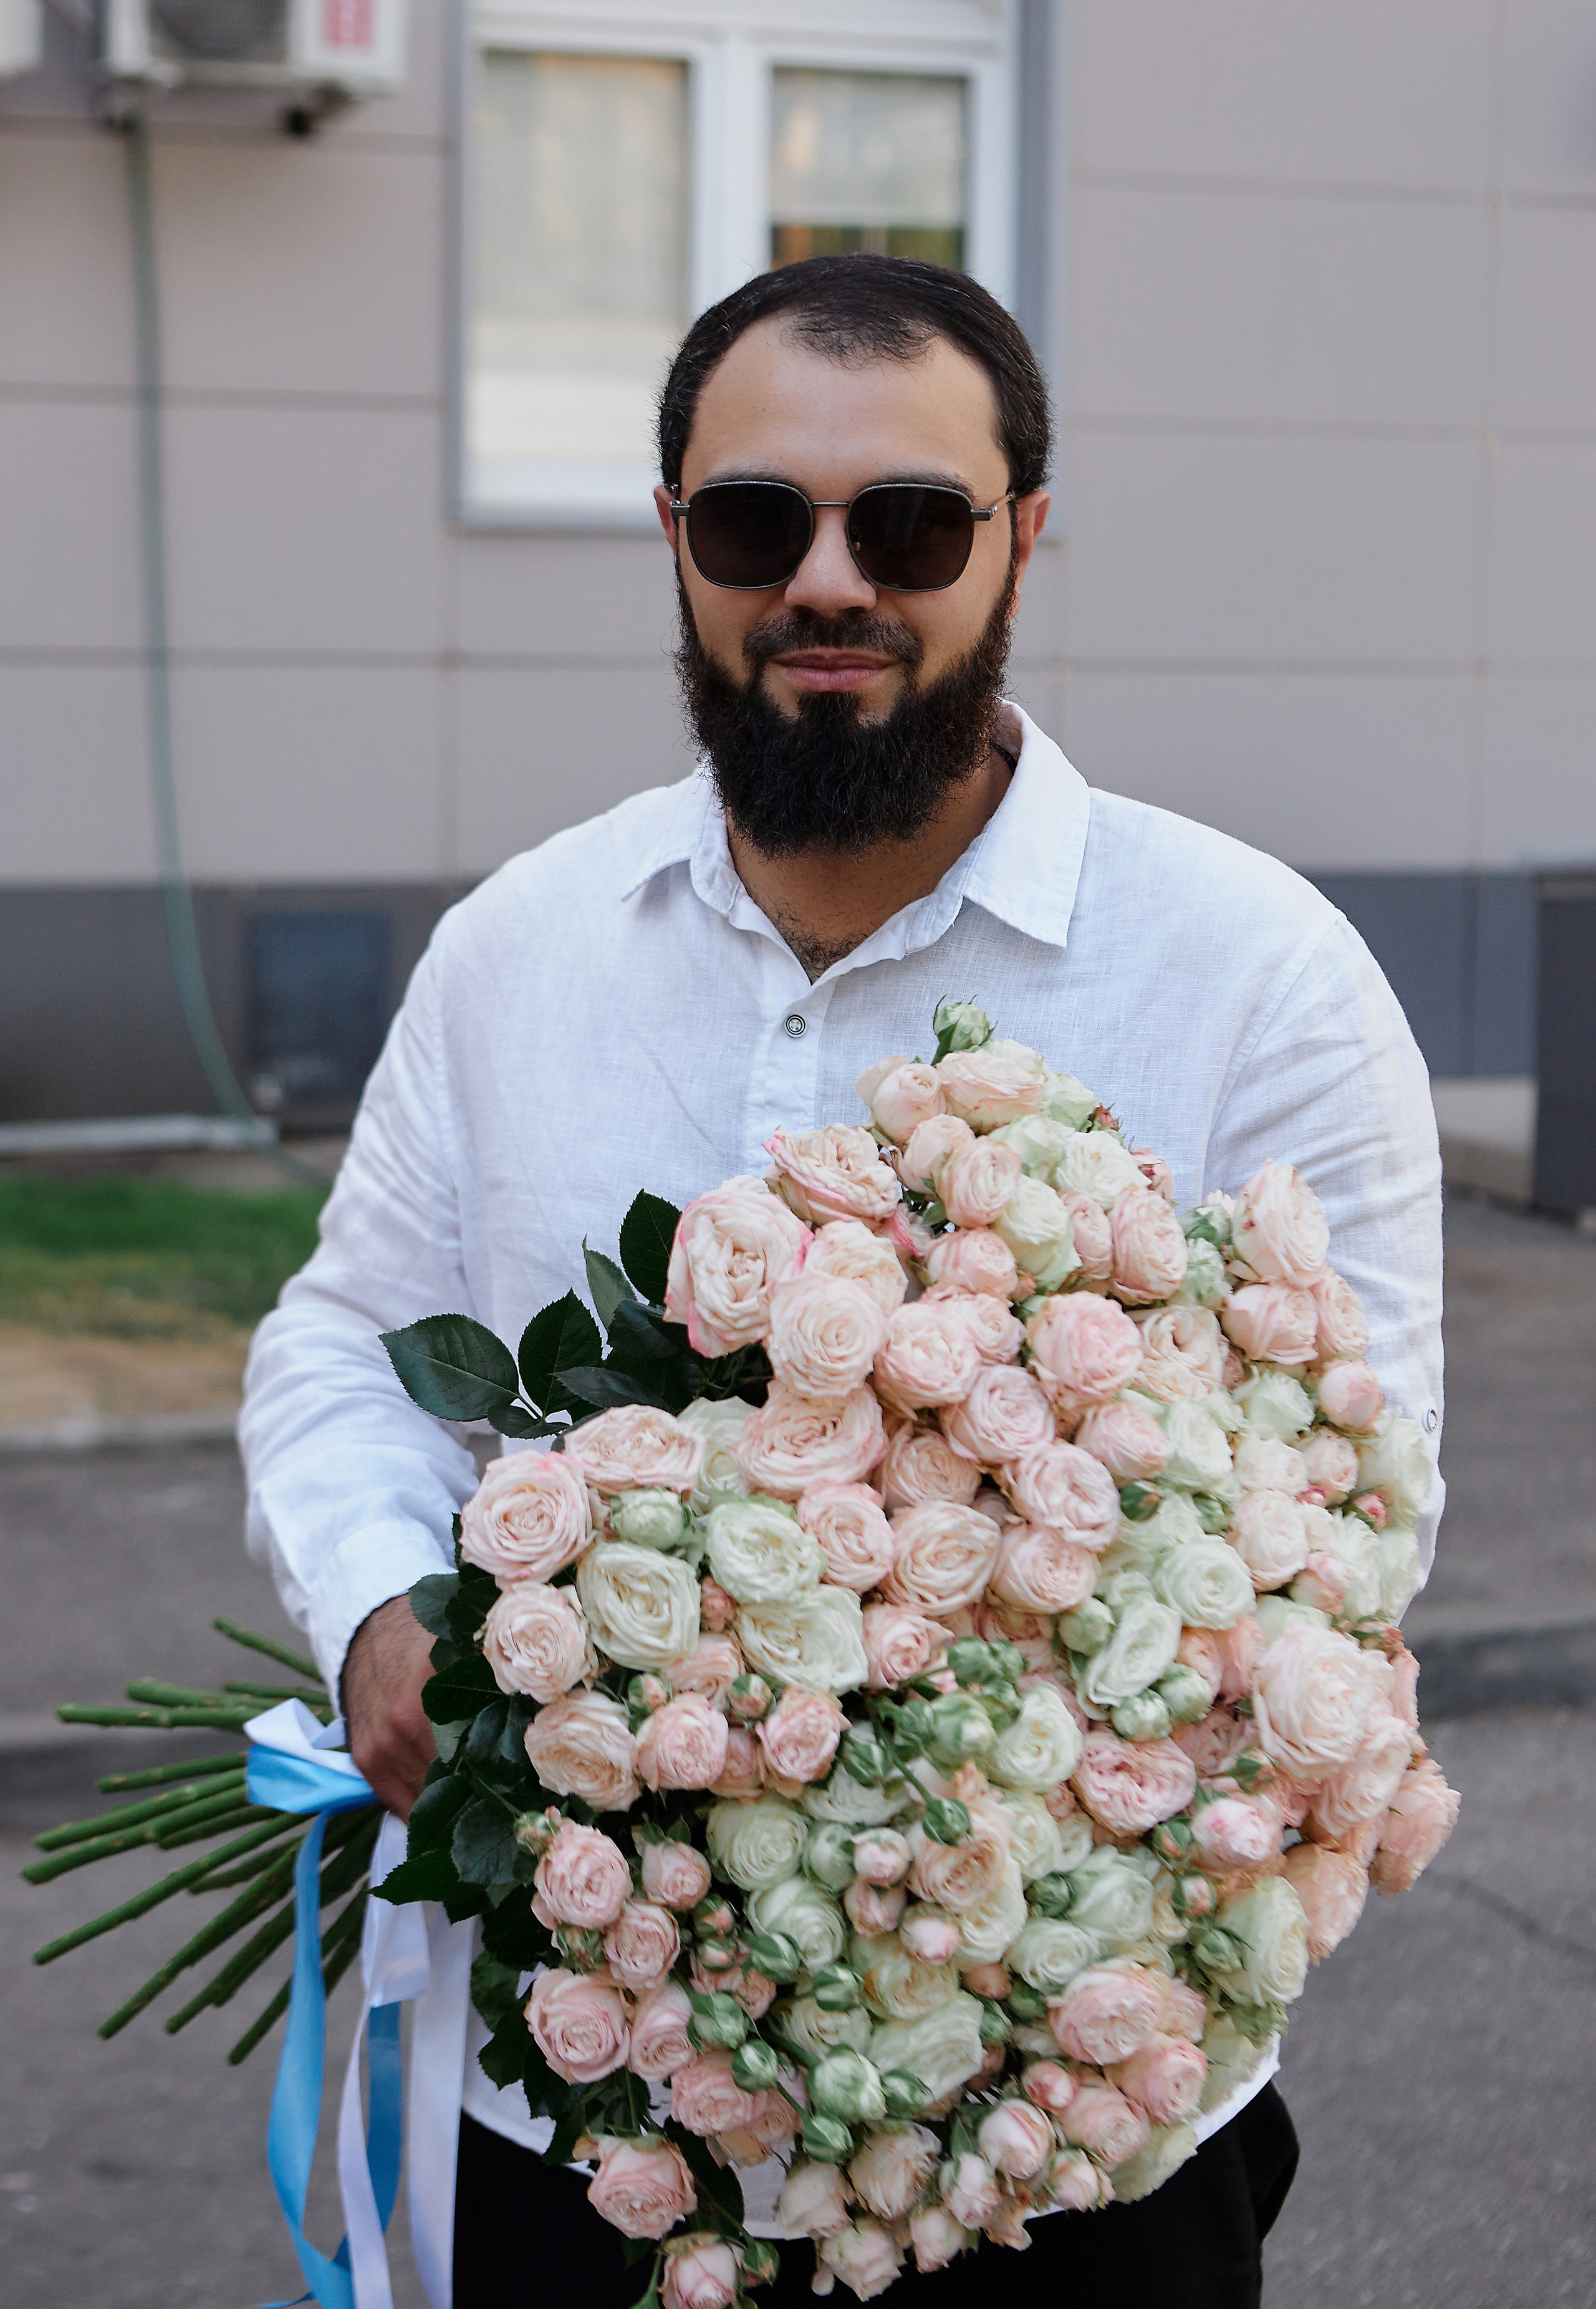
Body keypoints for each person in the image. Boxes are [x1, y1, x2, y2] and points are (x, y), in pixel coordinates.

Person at [241, 254, 1443, 2309]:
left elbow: (1357, 1507)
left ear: (1023, 540)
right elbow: (348, 1334)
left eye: (907, 522)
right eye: (751, 523)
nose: (826, 582)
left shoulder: (1257, 972)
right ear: (676, 544)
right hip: (574, 2127)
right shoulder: (521, 945)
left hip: (1067, 2160)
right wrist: (377, 1604)